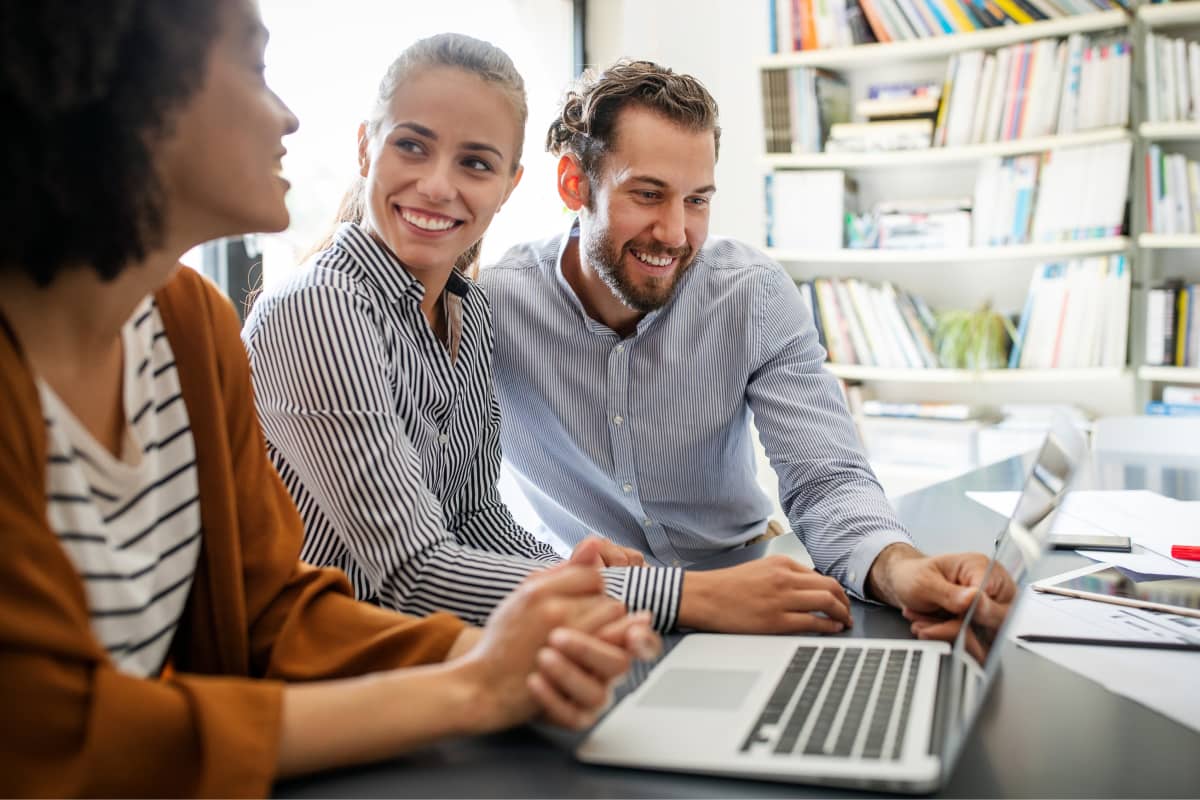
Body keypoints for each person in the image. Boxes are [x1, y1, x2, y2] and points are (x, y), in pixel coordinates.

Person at [0, 3, 657, 795]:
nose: (286, 115)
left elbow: (274, 609)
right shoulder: (312, 307)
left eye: (477, 163)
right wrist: (472, 685)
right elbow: (52, 738)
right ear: (127, 93)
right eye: (253, 68)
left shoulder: (190, 325)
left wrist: (515, 644)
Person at [479, 59, 1011, 637]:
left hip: (750, 590)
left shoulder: (751, 292)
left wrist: (901, 568)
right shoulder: (493, 309)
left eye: (698, 200)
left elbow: (826, 479)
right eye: (649, 194)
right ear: (574, 184)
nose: (676, 232)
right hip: (599, 611)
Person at [242, 34, 691, 632]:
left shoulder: (467, 311)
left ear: (508, 186)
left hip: (428, 661)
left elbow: (477, 518)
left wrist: (575, 580)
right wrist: (678, 597)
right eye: (411, 146)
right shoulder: (319, 309)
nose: (436, 185)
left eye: (475, 163)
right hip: (321, 677)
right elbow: (413, 572)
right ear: (364, 148)